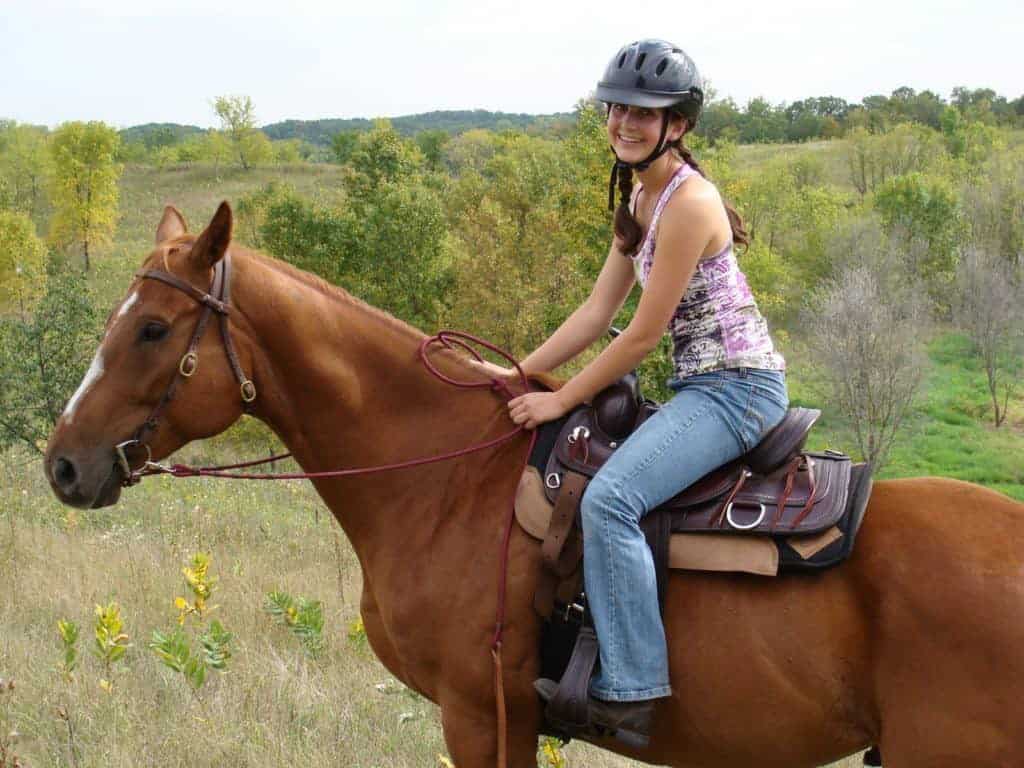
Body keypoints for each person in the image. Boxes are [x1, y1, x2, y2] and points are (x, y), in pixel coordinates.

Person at [476, 39, 788, 744]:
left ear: (678, 123)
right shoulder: (642, 195)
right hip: (702, 387)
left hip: (737, 390)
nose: (624, 122)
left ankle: (633, 686)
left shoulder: (690, 203)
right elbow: (596, 313)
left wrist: (559, 399)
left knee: (612, 499)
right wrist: (517, 372)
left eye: (643, 113)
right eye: (616, 108)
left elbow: (642, 335)